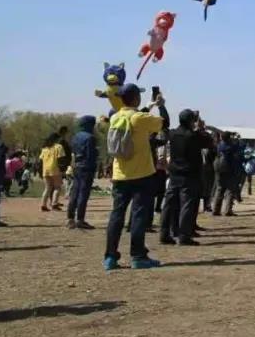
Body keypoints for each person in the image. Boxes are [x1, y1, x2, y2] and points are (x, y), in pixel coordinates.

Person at [103, 83, 165, 270]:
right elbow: (164, 123)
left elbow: (136, 115)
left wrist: (149, 105)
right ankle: (138, 256)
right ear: (136, 98)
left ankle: (110, 257)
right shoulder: (139, 118)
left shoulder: (115, 117)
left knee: (117, 215)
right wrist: (160, 105)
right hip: (141, 175)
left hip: (120, 174)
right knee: (138, 216)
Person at [160, 109, 205, 246]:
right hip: (189, 174)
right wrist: (200, 129)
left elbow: (165, 126)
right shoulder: (193, 136)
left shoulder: (173, 133)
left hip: (174, 173)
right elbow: (208, 142)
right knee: (186, 205)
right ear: (191, 121)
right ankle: (184, 236)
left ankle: (164, 233)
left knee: (169, 204)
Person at [66, 115, 98, 230]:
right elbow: (91, 155)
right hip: (87, 167)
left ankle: (70, 218)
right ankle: (80, 219)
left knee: (74, 192)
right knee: (83, 194)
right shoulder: (90, 138)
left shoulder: (75, 137)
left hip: (77, 166)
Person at [213, 132, 241, 216]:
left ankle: (216, 210)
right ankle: (228, 210)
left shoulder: (219, 145)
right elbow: (238, 147)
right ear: (228, 138)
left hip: (218, 169)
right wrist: (237, 139)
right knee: (230, 190)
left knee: (219, 189)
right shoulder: (230, 146)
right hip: (228, 169)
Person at [39, 133, 65, 212]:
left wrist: (40, 171)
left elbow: (40, 160)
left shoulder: (45, 148)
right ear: (56, 139)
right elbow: (60, 159)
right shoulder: (58, 147)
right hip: (55, 168)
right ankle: (54, 204)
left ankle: (43, 205)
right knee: (57, 187)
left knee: (47, 188)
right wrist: (62, 169)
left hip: (45, 169)